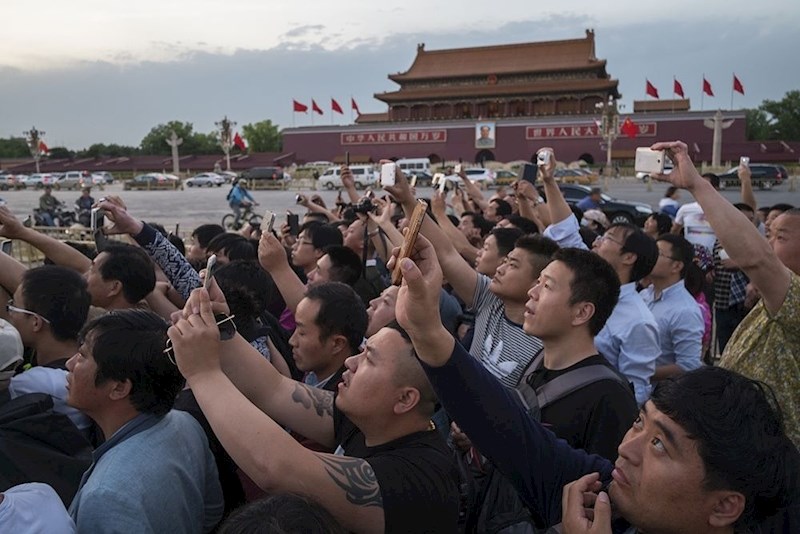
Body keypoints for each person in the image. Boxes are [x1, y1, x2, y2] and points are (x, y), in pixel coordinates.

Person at [391, 230, 800, 533]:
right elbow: (510, 432)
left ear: (725, 506)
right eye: (639, 423)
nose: (626, 448)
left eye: (660, 444)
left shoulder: (607, 394)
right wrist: (425, 329)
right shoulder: (597, 490)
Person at [167, 290, 460, 533]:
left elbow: (277, 467)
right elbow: (274, 389)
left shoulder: (420, 477)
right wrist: (220, 325)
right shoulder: (371, 419)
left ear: (405, 399)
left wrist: (202, 373)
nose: (351, 363)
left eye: (369, 360)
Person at [651, 140, 800, 449]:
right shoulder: (775, 300)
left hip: (769, 457)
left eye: (780, 237)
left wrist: (697, 184)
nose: (768, 243)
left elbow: (758, 259)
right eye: (768, 235)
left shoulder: (795, 299)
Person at [66, 309, 223, 532]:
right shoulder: (186, 424)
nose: (70, 364)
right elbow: (213, 511)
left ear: (119, 388)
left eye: (82, 356)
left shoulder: (105, 496)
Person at [541, 149, 660, 405]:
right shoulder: (588, 276)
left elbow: (635, 390)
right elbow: (565, 232)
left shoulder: (639, 321)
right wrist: (549, 181)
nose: (596, 241)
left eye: (607, 238)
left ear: (629, 257)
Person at [2, 265, 94, 434]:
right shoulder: (83, 360)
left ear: (36, 322)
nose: (9, 314)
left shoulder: (42, 383)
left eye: (13, 306)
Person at [640, 234, 705, 381]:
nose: (650, 257)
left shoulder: (685, 310)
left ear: (676, 266)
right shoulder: (644, 295)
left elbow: (688, 366)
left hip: (653, 391)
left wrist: (637, 372)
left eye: (658, 254)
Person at [672, 173, 719, 256]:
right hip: (690, 256)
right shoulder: (685, 209)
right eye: (698, 185)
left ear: (716, 188)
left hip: (714, 256)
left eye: (705, 185)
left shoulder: (724, 210)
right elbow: (675, 231)